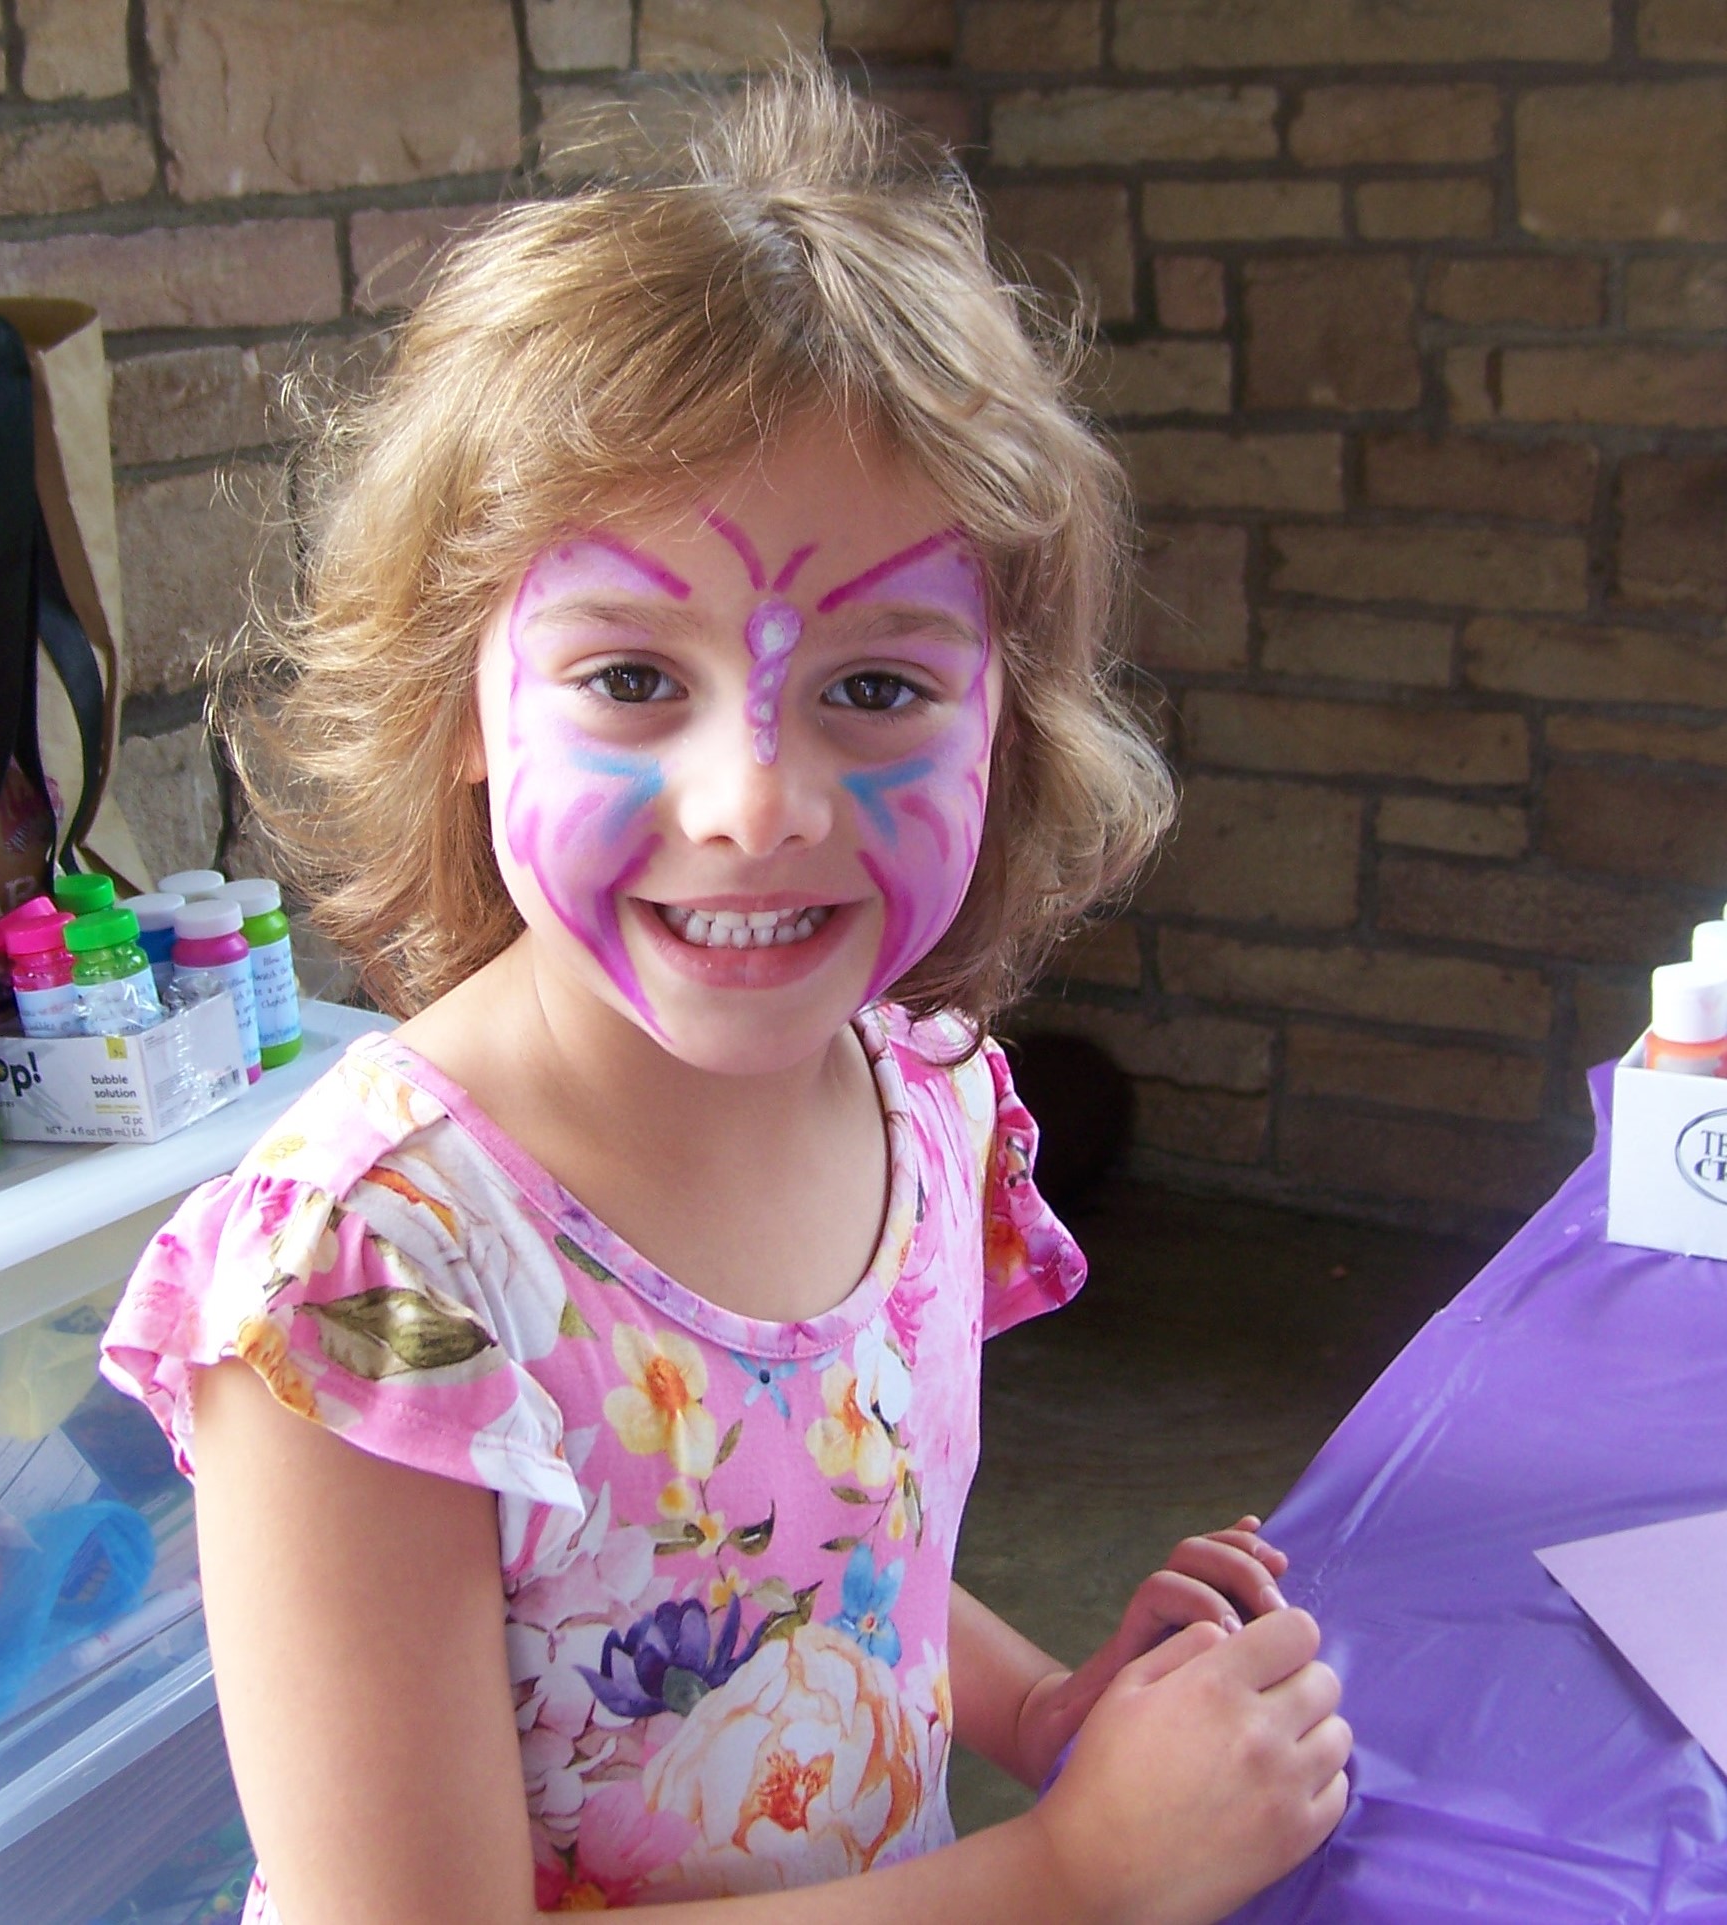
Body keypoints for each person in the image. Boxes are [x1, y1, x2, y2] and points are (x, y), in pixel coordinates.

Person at [101, 65, 1350, 1925]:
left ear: (1005, 720)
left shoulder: (916, 1096)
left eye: (876, 687)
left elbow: (817, 1572)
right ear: (462, 704)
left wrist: (1044, 1709)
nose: (756, 803)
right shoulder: (365, 1296)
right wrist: (1077, 1874)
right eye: (627, 679)